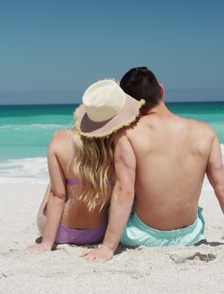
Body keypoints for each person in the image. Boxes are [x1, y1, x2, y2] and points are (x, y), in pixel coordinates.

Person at [81, 67, 224, 261]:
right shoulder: (205, 132)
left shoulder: (127, 135)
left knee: (116, 185)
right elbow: (223, 188)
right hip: (191, 235)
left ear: (128, 104)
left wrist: (107, 248)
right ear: (161, 90)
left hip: (142, 235)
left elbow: (125, 191)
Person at [28, 79, 144, 251]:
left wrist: (46, 243)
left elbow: (58, 197)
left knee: (56, 183)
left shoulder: (59, 139)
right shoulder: (121, 146)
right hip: (97, 233)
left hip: (60, 232)